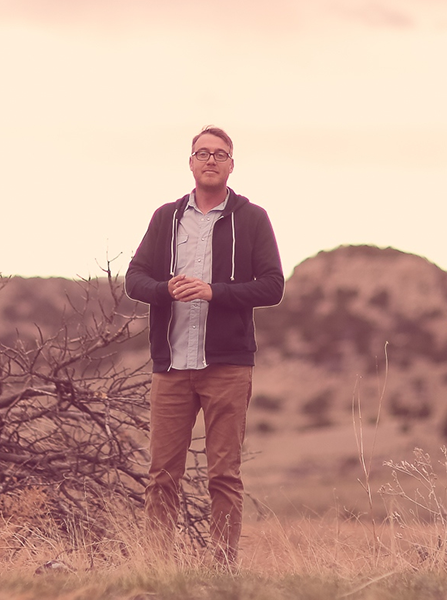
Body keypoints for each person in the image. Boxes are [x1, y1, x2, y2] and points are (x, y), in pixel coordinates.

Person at [125, 126, 284, 565]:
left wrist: (216, 292)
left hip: (227, 366)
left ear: (232, 164)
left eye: (220, 154)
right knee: (161, 476)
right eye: (202, 153)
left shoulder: (252, 218)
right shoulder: (166, 218)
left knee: (224, 475)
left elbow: (273, 286)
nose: (210, 160)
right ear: (190, 162)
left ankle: (222, 567)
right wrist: (164, 289)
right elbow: (133, 279)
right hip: (172, 366)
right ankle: (157, 566)